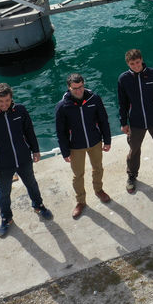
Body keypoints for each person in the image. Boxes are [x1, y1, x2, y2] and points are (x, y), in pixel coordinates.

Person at [0, 83, 53, 237]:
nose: (4, 104)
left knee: (32, 183)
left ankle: (38, 205)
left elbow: (29, 131)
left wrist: (35, 150)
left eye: (7, 101)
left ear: (12, 99)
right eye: (1, 101)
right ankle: (6, 218)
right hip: (2, 165)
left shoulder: (21, 110)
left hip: (24, 158)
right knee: (4, 192)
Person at [55, 73, 112, 219]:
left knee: (98, 167)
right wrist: (65, 151)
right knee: (78, 175)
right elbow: (60, 132)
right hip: (76, 147)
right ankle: (81, 201)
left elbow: (103, 120)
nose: (79, 91)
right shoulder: (62, 106)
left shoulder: (95, 99)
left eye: (81, 87)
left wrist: (107, 140)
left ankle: (99, 190)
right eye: (75, 88)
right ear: (69, 88)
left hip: (95, 142)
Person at [117, 49, 153, 192]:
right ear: (127, 64)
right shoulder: (123, 79)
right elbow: (122, 103)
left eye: (137, 62)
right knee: (134, 150)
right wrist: (123, 122)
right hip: (136, 122)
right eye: (132, 64)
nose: (135, 66)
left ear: (141, 60)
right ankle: (132, 175)